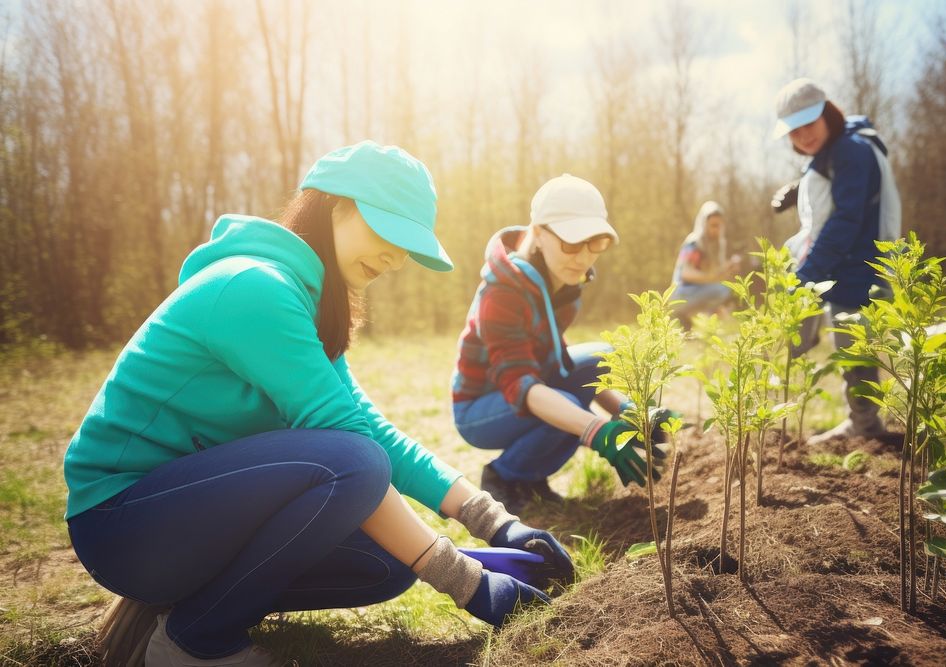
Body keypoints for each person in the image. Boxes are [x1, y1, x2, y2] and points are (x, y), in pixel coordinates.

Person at [63, 141, 574, 667]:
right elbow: (353, 450)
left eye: (409, 246)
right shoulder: (253, 288)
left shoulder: (304, 302)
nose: (397, 258)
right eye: (389, 232)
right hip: (123, 523)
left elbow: (374, 431)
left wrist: (495, 523)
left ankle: (192, 615)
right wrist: (465, 582)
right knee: (353, 465)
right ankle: (196, 644)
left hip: (189, 518)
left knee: (387, 563)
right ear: (338, 205)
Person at [451, 173, 667, 514]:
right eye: (571, 243)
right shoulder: (502, 291)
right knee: (567, 407)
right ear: (538, 233)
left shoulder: (561, 282)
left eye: (594, 243)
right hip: (479, 408)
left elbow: (559, 360)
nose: (582, 257)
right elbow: (520, 384)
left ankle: (531, 479)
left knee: (604, 358)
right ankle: (504, 478)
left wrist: (627, 413)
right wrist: (596, 431)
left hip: (526, 386)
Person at [771, 78, 901, 445]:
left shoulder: (851, 150)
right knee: (849, 350)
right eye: (794, 131)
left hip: (859, 267)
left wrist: (807, 274)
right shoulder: (837, 150)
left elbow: (846, 218)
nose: (803, 136)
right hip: (843, 266)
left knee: (855, 350)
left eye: (809, 124)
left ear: (828, 114)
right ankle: (861, 423)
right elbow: (834, 178)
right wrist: (797, 188)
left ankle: (865, 428)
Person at [670, 201, 741, 329]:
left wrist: (728, 268)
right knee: (721, 290)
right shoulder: (693, 243)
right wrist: (712, 277)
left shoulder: (715, 245)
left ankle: (698, 325)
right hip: (680, 294)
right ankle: (687, 317)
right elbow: (686, 274)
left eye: (719, 226)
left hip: (696, 293)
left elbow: (713, 275)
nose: (716, 230)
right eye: (713, 225)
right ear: (704, 225)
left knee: (725, 289)